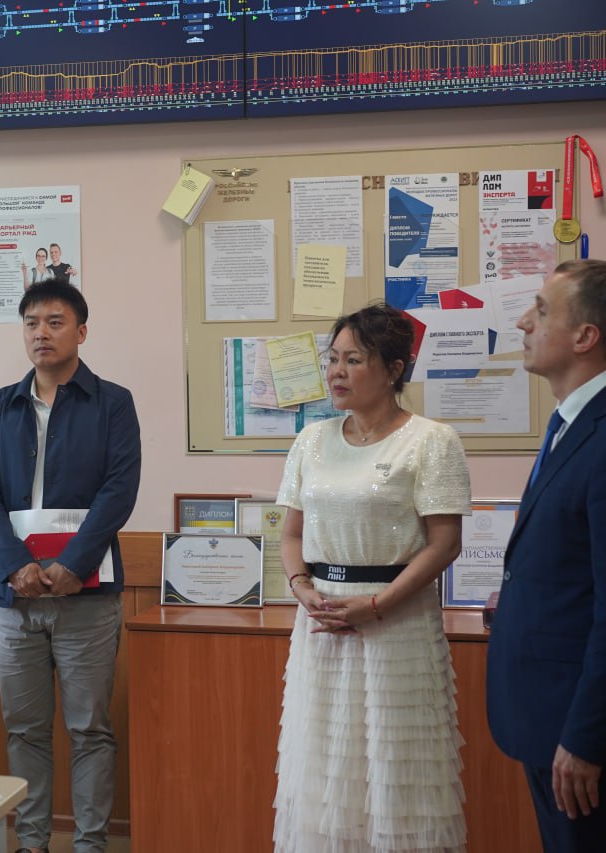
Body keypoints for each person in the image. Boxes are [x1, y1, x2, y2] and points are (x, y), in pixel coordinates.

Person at [273, 302, 471, 852]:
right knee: (323, 771)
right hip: (320, 623)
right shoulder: (311, 441)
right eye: (332, 358)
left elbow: (445, 543)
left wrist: (378, 605)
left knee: (396, 773)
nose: (336, 372)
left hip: (396, 624)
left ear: (393, 369)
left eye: (353, 360)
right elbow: (291, 535)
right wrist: (301, 587)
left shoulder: (431, 440)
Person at [0, 280, 140, 853]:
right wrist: (15, 564)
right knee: (24, 731)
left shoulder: (113, 403)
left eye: (55, 322)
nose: (41, 332)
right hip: (16, 598)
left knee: (90, 730)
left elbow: (119, 489)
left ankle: (90, 844)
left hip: (86, 597)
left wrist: (73, 564)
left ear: (81, 332)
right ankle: (32, 842)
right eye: (31, 323)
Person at [487, 259, 606, 851]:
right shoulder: (569, 423)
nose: (522, 322)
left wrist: (587, 737)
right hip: (547, 714)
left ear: (585, 336)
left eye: (539, 310)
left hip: (578, 734)